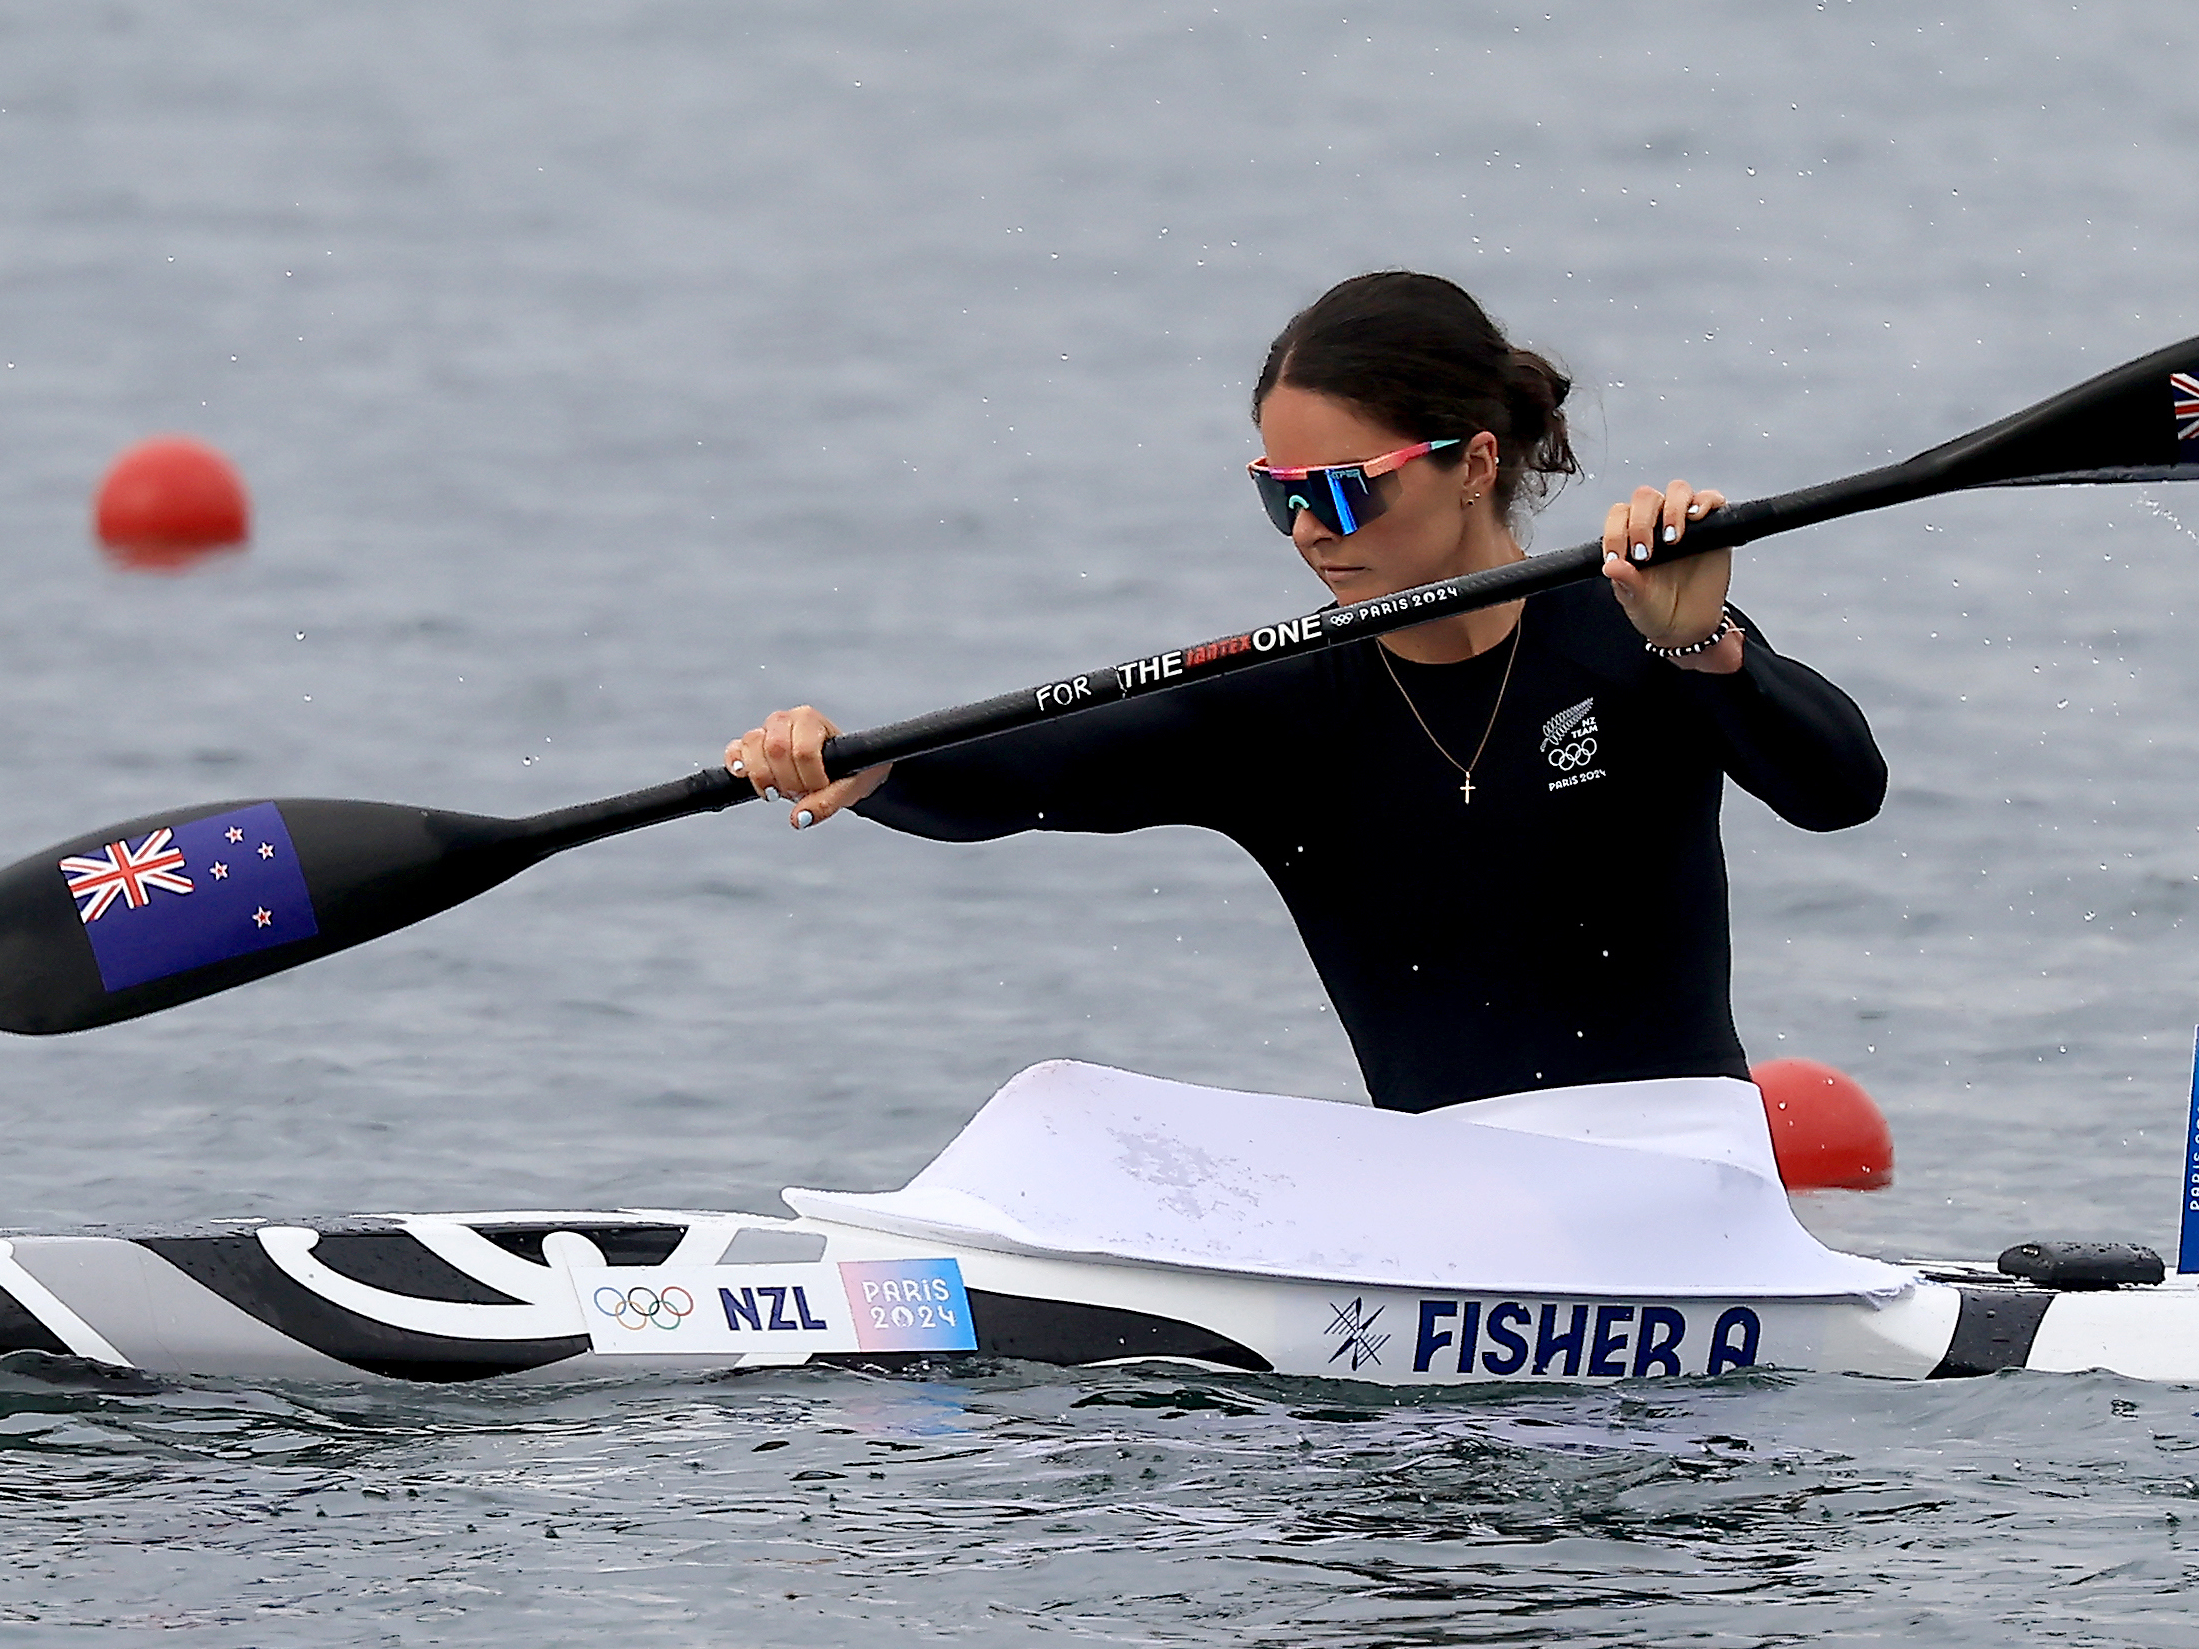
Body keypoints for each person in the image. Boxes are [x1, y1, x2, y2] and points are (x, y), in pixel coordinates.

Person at [724, 271, 1885, 1114]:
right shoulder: (1278, 708)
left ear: (1475, 463)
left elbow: (1840, 788)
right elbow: (1028, 774)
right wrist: (863, 761)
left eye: (1341, 492)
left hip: (1680, 1169)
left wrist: (1706, 646)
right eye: (1277, 495)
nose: (1306, 533)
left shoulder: (1634, 627)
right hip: (1444, 1190)